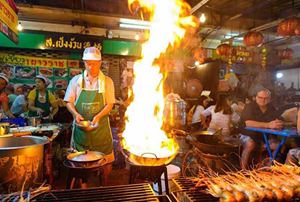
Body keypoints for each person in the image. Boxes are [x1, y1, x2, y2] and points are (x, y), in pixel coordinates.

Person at [64, 47, 115, 187]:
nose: (90, 66)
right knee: (80, 164)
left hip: (101, 130)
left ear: (100, 63)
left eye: (94, 63)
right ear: (84, 63)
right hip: (81, 130)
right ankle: (84, 191)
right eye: (87, 63)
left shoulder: (108, 82)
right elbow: (69, 102)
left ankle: (104, 188)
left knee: (106, 162)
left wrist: (98, 116)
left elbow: (110, 104)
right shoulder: (76, 81)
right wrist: (75, 114)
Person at [240, 88, 283, 169]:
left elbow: (279, 119)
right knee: (250, 144)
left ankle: (265, 167)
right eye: (260, 97)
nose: (263, 100)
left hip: (263, 136)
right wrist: (269, 125)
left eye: (266, 98)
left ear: (270, 99)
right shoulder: (250, 107)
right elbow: (248, 123)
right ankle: (242, 170)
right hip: (247, 134)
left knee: (278, 145)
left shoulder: (271, 108)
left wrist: (279, 123)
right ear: (256, 97)